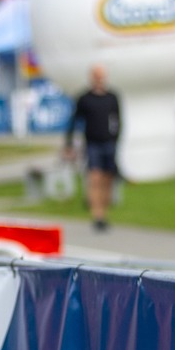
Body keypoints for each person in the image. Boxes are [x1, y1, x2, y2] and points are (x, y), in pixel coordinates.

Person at [65, 64, 122, 231]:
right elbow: (74, 122)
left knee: (107, 180)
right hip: (92, 144)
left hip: (109, 143)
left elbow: (118, 121)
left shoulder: (112, 97)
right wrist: (69, 144)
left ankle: (104, 211)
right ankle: (98, 216)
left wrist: (116, 139)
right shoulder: (84, 98)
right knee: (95, 178)